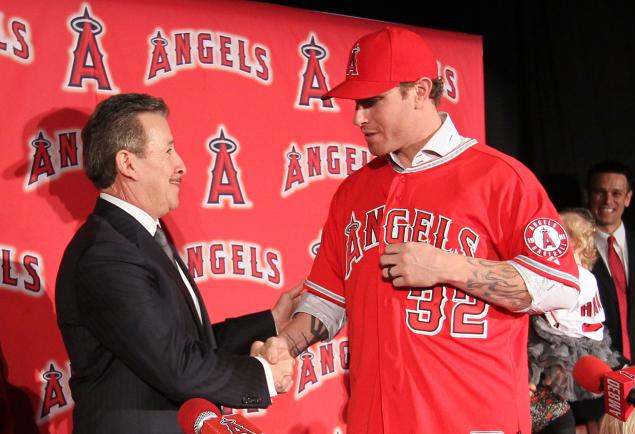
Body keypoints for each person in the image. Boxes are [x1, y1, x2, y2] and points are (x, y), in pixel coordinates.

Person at [255, 26, 580, 433]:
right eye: (357, 103)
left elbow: (561, 285)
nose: (358, 117)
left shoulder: (500, 177)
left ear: (420, 91)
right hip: (375, 422)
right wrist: (285, 344)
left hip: (472, 422)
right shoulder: (353, 191)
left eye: (372, 102)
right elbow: (327, 300)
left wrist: (452, 267)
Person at [55, 93, 296, 434]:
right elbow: (176, 365)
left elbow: (186, 345)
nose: (180, 164)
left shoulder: (138, 238)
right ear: (128, 163)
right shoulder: (107, 253)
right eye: (168, 151)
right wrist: (265, 375)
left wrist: (270, 321)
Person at [529, 208, 618, 434]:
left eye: (561, 236)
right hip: (560, 356)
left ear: (576, 243)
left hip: (561, 347)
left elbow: (533, 302)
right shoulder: (584, 277)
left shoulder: (576, 278)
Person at [572, 161, 635, 428]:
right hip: (596, 389)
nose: (608, 200)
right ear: (588, 195)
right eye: (600, 192)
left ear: (629, 197)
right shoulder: (571, 252)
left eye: (616, 193)